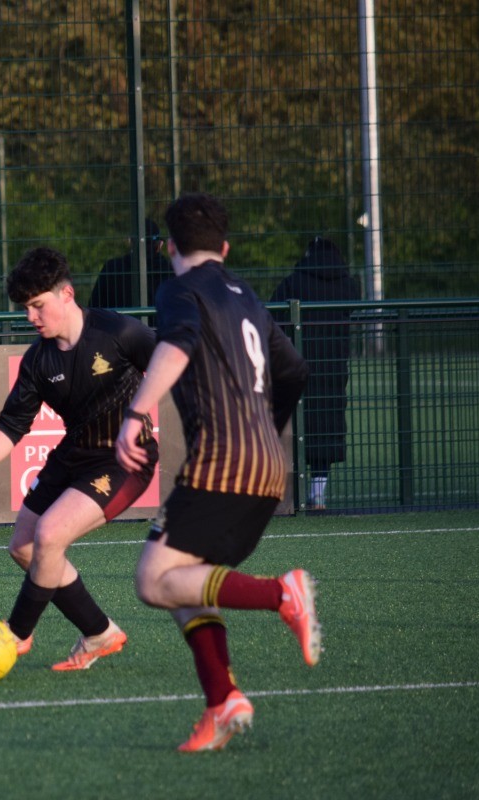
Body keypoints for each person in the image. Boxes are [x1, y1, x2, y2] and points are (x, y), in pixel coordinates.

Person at [115, 193, 318, 752]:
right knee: (186, 577)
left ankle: (281, 593)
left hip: (223, 463)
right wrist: (265, 431)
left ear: (169, 248)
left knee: (152, 580)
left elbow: (178, 344)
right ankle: (222, 702)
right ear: (224, 249)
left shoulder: (179, 289)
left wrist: (136, 413)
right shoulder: (246, 295)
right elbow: (294, 371)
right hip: (268, 466)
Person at [0, 247, 159, 671]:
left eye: (38, 305)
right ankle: (100, 633)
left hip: (123, 460)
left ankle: (16, 633)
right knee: (24, 546)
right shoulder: (38, 360)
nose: (31, 317)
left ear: (67, 294)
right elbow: (11, 426)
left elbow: (175, 364)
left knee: (51, 534)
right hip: (72, 455)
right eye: (25, 308)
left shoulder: (119, 332)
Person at [270, 237, 360, 510]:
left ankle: (288, 495)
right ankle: (317, 493)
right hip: (334, 365)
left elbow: (274, 314)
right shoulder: (347, 284)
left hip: (298, 363)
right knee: (327, 425)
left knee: (296, 423)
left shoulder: (294, 282)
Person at [89, 218, 174, 309]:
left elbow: (94, 306)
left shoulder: (112, 268)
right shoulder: (171, 271)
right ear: (160, 244)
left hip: (120, 318)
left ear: (130, 241)